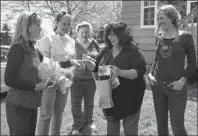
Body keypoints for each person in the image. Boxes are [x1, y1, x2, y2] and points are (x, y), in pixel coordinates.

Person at [84, 21, 146, 135]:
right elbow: (96, 67)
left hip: (130, 96)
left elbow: (141, 70)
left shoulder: (132, 49)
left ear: (122, 34)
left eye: (114, 34)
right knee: (112, 126)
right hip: (110, 96)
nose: (110, 37)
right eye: (109, 34)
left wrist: (121, 72)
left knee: (130, 128)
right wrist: (88, 63)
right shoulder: (107, 49)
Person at [148, 4, 197, 136]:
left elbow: (193, 64)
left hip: (176, 88)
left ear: (171, 17)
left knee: (177, 127)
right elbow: (156, 60)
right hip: (158, 86)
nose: (159, 21)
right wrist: (150, 74)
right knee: (161, 124)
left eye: (161, 18)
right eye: (158, 19)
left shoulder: (185, 37)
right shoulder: (159, 37)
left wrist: (182, 81)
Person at [36, 11, 82, 135]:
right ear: (56, 22)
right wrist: (67, 63)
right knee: (46, 115)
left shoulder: (71, 41)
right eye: (64, 23)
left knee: (59, 113)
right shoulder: (47, 39)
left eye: (69, 24)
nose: (66, 26)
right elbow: (44, 64)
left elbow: (72, 60)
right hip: (49, 82)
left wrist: (73, 68)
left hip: (65, 81)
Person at [4, 12, 48, 136]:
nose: (41, 28)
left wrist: (49, 79)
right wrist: (35, 86)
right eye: (38, 25)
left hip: (32, 104)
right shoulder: (17, 48)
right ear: (26, 27)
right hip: (18, 106)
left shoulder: (35, 49)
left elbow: (41, 71)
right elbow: (9, 80)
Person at [70, 21, 100, 135]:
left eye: (87, 32)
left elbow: (99, 59)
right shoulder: (73, 43)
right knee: (75, 103)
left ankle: (88, 123)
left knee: (89, 103)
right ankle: (77, 125)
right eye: (82, 32)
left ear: (90, 32)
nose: (84, 34)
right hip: (76, 78)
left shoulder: (94, 43)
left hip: (90, 79)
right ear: (77, 32)